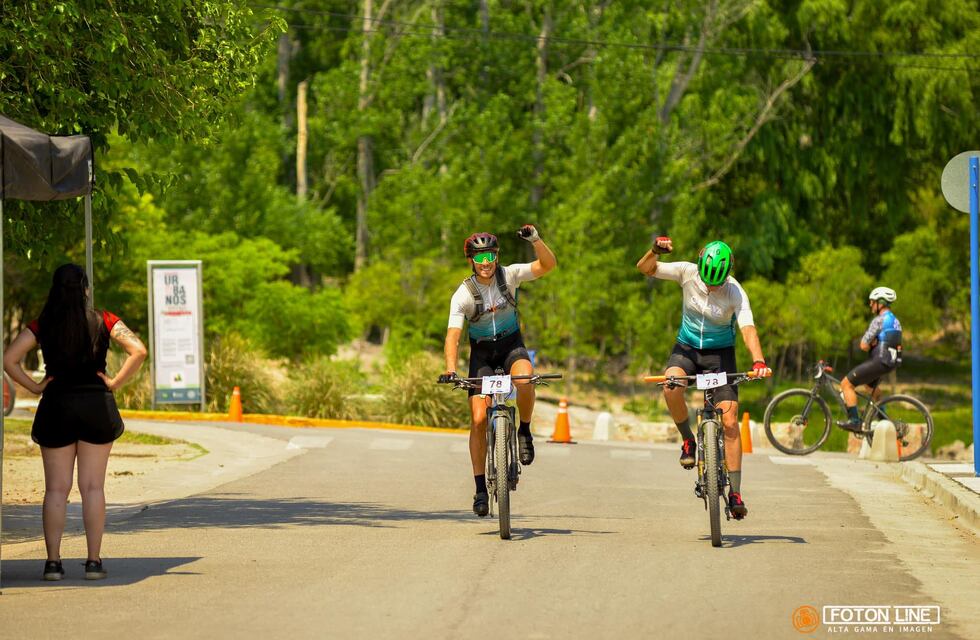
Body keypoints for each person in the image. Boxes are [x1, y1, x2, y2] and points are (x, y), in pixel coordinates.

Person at [3, 264, 147, 581]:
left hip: (56, 406)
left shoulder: (43, 325)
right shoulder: (104, 319)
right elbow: (138, 350)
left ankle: (53, 564)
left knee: (56, 490)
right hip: (96, 406)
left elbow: (9, 359)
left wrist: (36, 387)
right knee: (93, 487)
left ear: (55, 289)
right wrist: (114, 382)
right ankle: (93, 562)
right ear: (84, 288)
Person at [636, 237, 771, 519]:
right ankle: (688, 440)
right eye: (708, 282)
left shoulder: (735, 291)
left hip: (719, 356)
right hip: (686, 349)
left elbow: (748, 329)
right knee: (671, 385)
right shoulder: (686, 272)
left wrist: (758, 360)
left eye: (716, 283)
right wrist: (654, 251)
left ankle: (734, 492)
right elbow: (646, 268)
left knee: (731, 420)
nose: (711, 288)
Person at [439, 226, 556, 516]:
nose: (487, 262)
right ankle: (480, 489)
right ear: (471, 261)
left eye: (491, 255)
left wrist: (535, 240)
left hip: (511, 346)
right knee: (478, 419)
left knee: (526, 378)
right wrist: (451, 370)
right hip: (482, 355)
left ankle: (524, 432)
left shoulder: (511, 275)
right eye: (480, 258)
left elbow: (547, 265)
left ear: (497, 256)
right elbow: (453, 335)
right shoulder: (463, 294)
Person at [837, 287, 902, 430]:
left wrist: (872, 343)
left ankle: (855, 421)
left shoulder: (878, 320)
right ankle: (885, 422)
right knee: (870, 388)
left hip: (879, 360)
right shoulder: (895, 321)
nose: (870, 304)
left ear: (881, 302)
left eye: (872, 302)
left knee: (846, 384)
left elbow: (863, 345)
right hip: (890, 362)